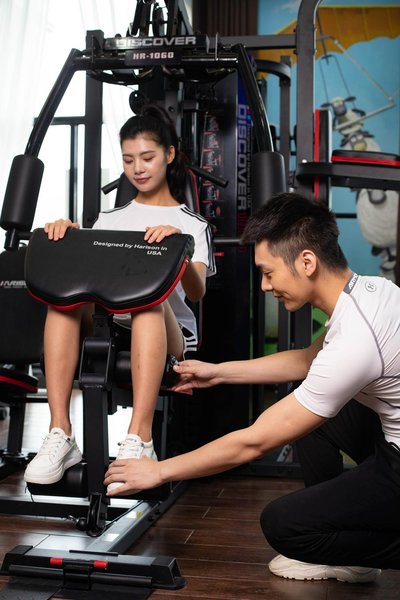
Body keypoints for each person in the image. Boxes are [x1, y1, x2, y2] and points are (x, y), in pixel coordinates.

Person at [104, 191, 400, 583]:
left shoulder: (357, 339)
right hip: (388, 438)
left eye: (268, 272)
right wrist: (217, 372)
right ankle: (346, 543)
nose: (263, 285)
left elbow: (255, 442)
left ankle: (345, 543)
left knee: (283, 525)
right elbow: (307, 361)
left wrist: (159, 472)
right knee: (316, 417)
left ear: (307, 262)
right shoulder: (371, 292)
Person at [24, 104, 216, 492]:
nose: (137, 168)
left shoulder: (191, 224)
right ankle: (61, 433)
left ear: (169, 154)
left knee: (148, 300)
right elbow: (88, 279)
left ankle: (139, 439)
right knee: (63, 301)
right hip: (110, 323)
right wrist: (66, 236)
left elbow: (197, 291)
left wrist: (177, 250)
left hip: (169, 333)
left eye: (147, 157)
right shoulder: (109, 219)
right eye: (128, 160)